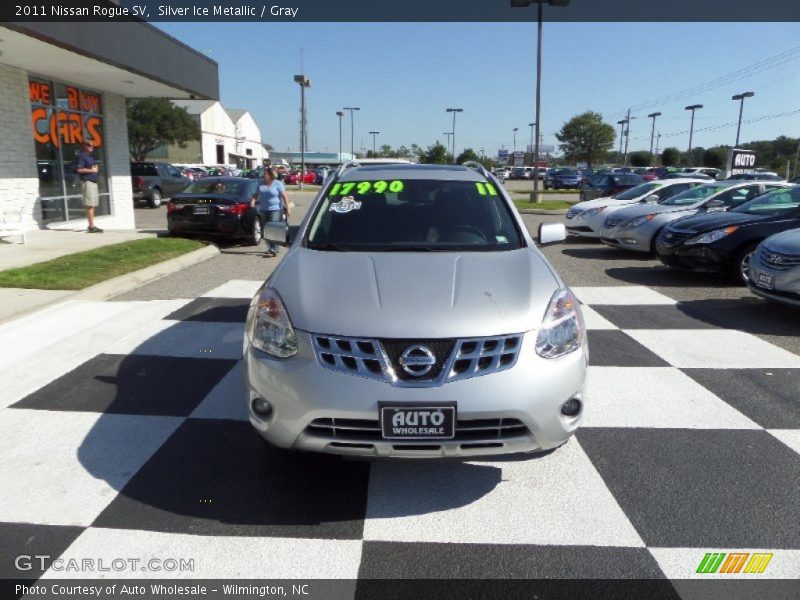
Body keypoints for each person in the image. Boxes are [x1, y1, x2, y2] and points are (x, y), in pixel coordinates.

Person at [252, 167, 291, 256]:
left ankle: (275, 248)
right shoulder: (260, 184)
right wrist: (253, 201)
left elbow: (284, 196)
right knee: (266, 229)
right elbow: (256, 194)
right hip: (263, 209)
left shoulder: (278, 184)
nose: (264, 175)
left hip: (275, 209)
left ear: (270, 175)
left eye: (265, 174)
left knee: (273, 228)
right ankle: (270, 247)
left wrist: (288, 208)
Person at [76, 141, 102, 232]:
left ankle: (92, 225)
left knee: (93, 204)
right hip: (87, 182)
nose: (91, 147)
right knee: (89, 205)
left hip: (94, 182)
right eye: (89, 145)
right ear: (84, 146)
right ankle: (91, 227)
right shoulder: (82, 156)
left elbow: (94, 169)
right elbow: (79, 169)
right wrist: (92, 170)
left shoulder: (90, 157)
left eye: (92, 145)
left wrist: (95, 170)